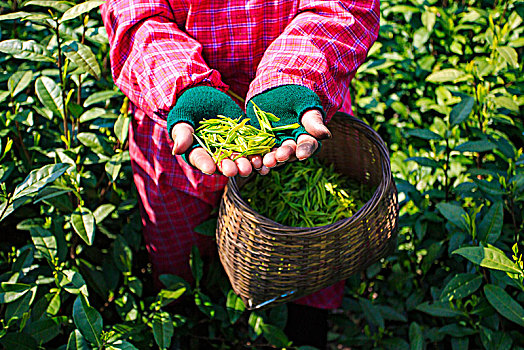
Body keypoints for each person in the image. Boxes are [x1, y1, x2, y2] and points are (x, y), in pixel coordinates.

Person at [101, 1, 379, 347]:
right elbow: (136, 16)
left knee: (308, 252)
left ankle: (303, 331)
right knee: (181, 262)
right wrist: (185, 88)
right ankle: (190, 328)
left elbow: (340, 8)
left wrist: (294, 75)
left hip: (296, 110)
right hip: (179, 118)